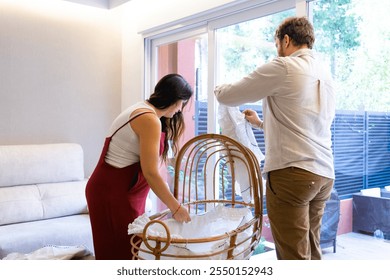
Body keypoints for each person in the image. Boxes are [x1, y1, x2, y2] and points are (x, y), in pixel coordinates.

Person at [214, 17, 336, 260]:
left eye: (276, 43)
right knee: (311, 250)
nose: (277, 49)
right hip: (323, 175)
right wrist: (259, 123)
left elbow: (228, 96)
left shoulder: (284, 67)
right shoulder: (324, 72)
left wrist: (218, 88)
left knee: (293, 256)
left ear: (286, 40)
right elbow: (303, 124)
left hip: (293, 175)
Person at [86, 73, 193, 260]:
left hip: (120, 191)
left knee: (131, 251)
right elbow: (150, 172)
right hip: (112, 193)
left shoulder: (147, 112)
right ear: (173, 99)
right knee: (122, 253)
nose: (180, 109)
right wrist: (175, 207)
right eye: (181, 103)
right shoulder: (149, 119)